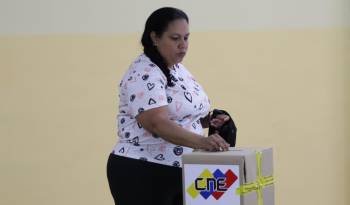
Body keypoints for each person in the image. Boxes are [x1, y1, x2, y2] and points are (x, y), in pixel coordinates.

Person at [106, 7, 230, 205]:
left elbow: (180, 116)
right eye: (175, 38)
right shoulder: (144, 72)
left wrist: (207, 121)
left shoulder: (178, 69)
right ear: (155, 38)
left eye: (186, 38)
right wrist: (203, 142)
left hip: (183, 169)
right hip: (143, 170)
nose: (183, 46)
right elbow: (157, 123)